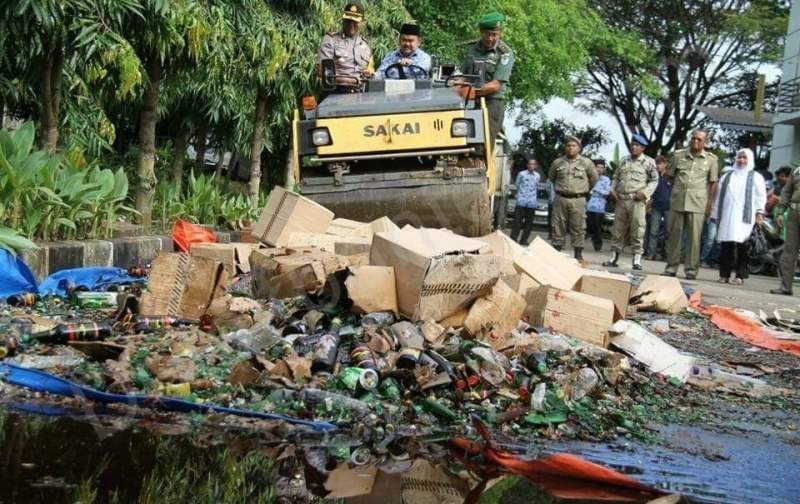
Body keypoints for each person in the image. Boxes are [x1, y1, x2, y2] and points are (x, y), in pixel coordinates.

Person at [663, 129, 719, 280]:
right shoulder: (678, 155)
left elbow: (713, 183)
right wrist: (677, 190)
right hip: (678, 200)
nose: (695, 142)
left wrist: (710, 204)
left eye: (699, 140)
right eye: (693, 138)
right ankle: (671, 267)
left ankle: (691, 270)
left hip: (698, 202)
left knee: (694, 239)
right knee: (675, 235)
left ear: (705, 142)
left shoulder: (711, 159)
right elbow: (669, 176)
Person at [459, 11, 515, 149]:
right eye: (487, 34)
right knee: (462, 140)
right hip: (467, 100)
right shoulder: (470, 49)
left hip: (492, 103)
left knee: (482, 144)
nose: (490, 38)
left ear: (500, 33)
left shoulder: (505, 53)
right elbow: (461, 75)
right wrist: (457, 86)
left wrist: (471, 91)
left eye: (494, 34)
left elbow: (495, 85)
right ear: (480, 32)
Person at [711, 148, 766, 285]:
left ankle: (740, 276)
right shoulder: (727, 176)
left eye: (744, 158)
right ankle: (724, 275)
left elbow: (761, 197)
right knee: (726, 246)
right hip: (727, 216)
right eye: (739, 157)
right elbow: (719, 197)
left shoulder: (756, 177)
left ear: (750, 160)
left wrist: (759, 213)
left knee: (743, 247)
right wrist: (715, 214)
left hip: (745, 218)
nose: (741, 160)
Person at [603, 134, 658, 270]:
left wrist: (645, 193)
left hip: (637, 200)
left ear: (643, 148)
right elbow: (615, 177)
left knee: (637, 229)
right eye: (632, 144)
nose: (633, 147)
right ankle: (614, 257)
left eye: (637, 145)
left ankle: (637, 259)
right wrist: (612, 190)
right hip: (621, 199)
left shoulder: (648, 162)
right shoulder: (623, 160)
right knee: (617, 229)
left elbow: (654, 180)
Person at [548, 136, 598, 260]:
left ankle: (578, 254)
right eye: (568, 146)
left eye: (573, 146)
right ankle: (556, 253)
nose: (570, 148)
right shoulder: (557, 162)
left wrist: (583, 190)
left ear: (579, 148)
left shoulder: (586, 163)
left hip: (578, 199)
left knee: (579, 226)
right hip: (561, 198)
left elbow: (594, 179)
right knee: (558, 225)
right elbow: (552, 177)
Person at [317, 1, 373, 89]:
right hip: (336, 92)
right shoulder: (331, 40)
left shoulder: (366, 45)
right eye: (348, 21)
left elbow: (371, 71)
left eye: (355, 21)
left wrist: (369, 74)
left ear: (363, 23)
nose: (351, 25)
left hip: (361, 94)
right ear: (343, 20)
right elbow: (322, 72)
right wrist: (352, 81)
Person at [771, 164, 800, 295]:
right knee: (789, 252)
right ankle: (785, 287)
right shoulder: (798, 170)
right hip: (794, 214)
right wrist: (780, 211)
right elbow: (787, 191)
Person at [646, 155, 672, 260]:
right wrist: (648, 205)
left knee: (668, 232)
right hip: (656, 206)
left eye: (660, 163)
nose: (658, 166)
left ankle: (666, 255)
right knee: (653, 231)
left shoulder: (670, 176)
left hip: (669, 207)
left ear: (665, 164)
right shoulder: (653, 177)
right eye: (657, 163)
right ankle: (651, 253)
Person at [510, 158, 542, 244]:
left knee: (529, 223)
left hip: (531, 202)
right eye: (530, 164)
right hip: (521, 201)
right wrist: (519, 195)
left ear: (536, 166)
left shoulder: (537, 176)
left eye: (533, 164)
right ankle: (513, 238)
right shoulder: (521, 174)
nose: (531, 166)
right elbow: (517, 185)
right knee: (517, 221)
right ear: (527, 165)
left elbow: (537, 187)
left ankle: (524, 240)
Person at [586, 159, 611, 251]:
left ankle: (597, 246)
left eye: (602, 168)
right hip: (587, 205)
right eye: (598, 167)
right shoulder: (589, 178)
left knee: (597, 227)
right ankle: (578, 244)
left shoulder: (606, 179)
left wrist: (596, 190)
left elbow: (607, 192)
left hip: (599, 207)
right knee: (586, 225)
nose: (599, 169)